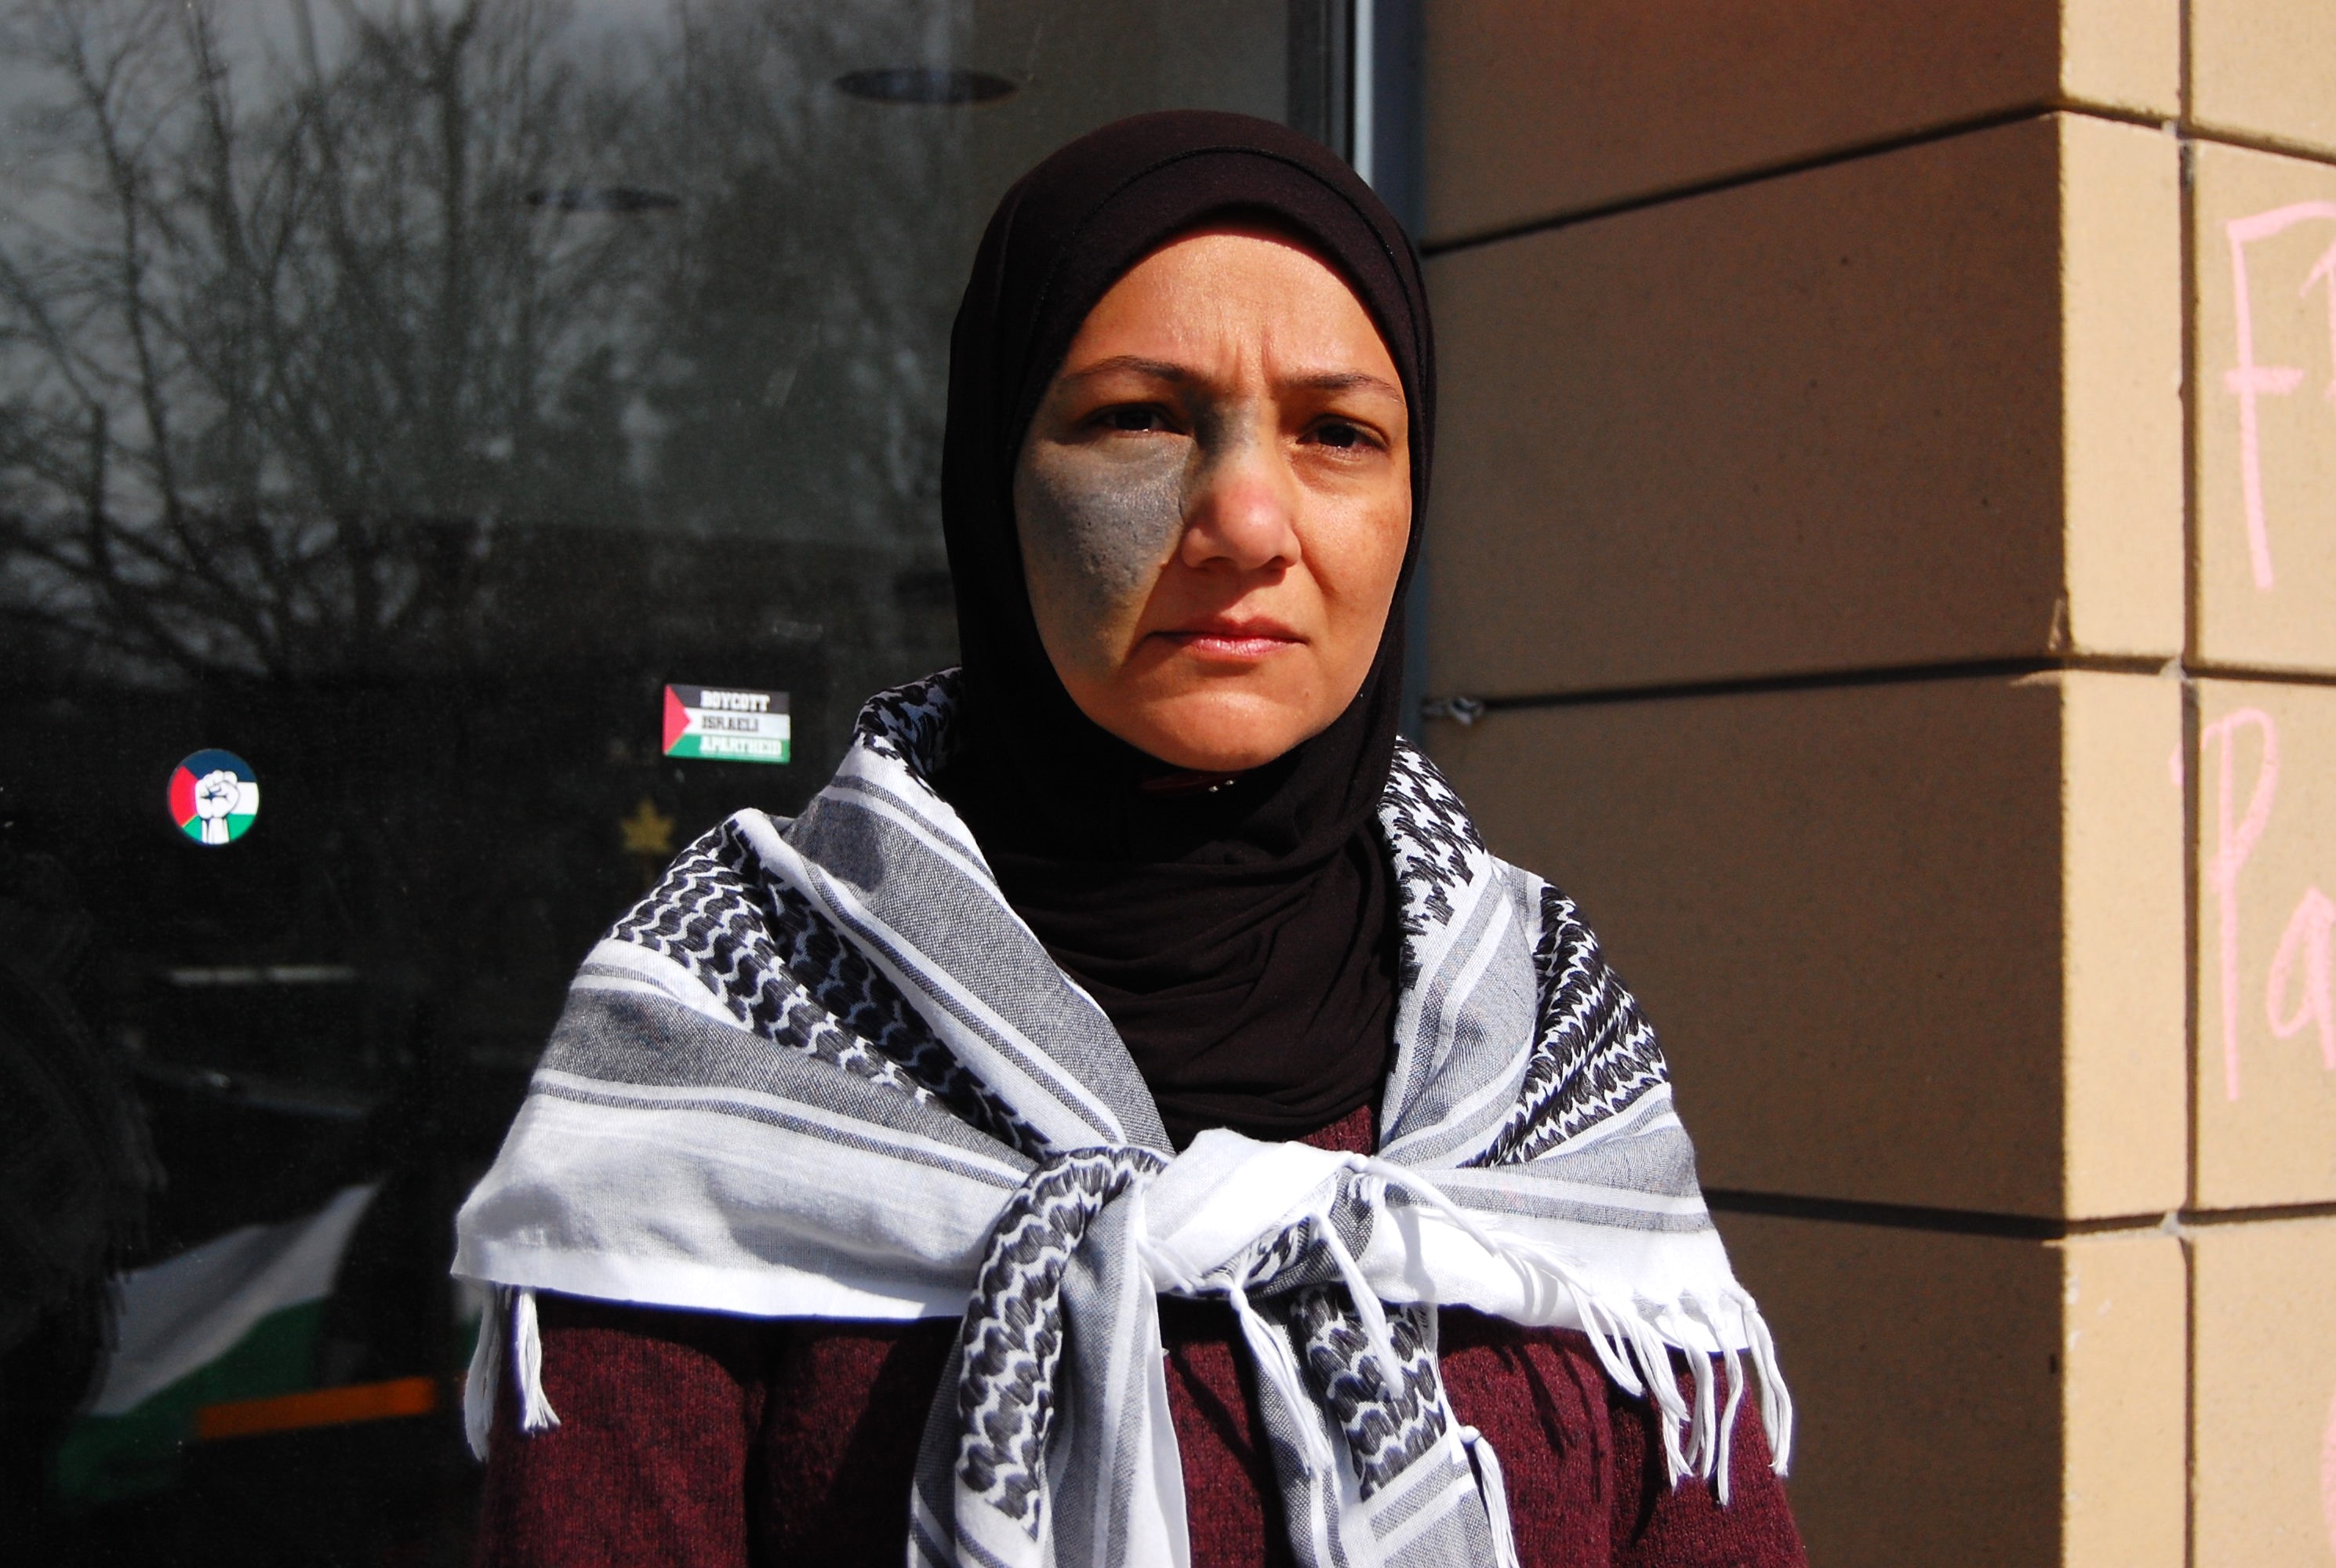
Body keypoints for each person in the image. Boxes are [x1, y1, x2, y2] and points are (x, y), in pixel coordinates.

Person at [457, 111, 1806, 1567]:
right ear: (993, 478)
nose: (1243, 519)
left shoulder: (1541, 1033)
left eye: (1338, 433)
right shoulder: (736, 1026)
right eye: (1140, 418)